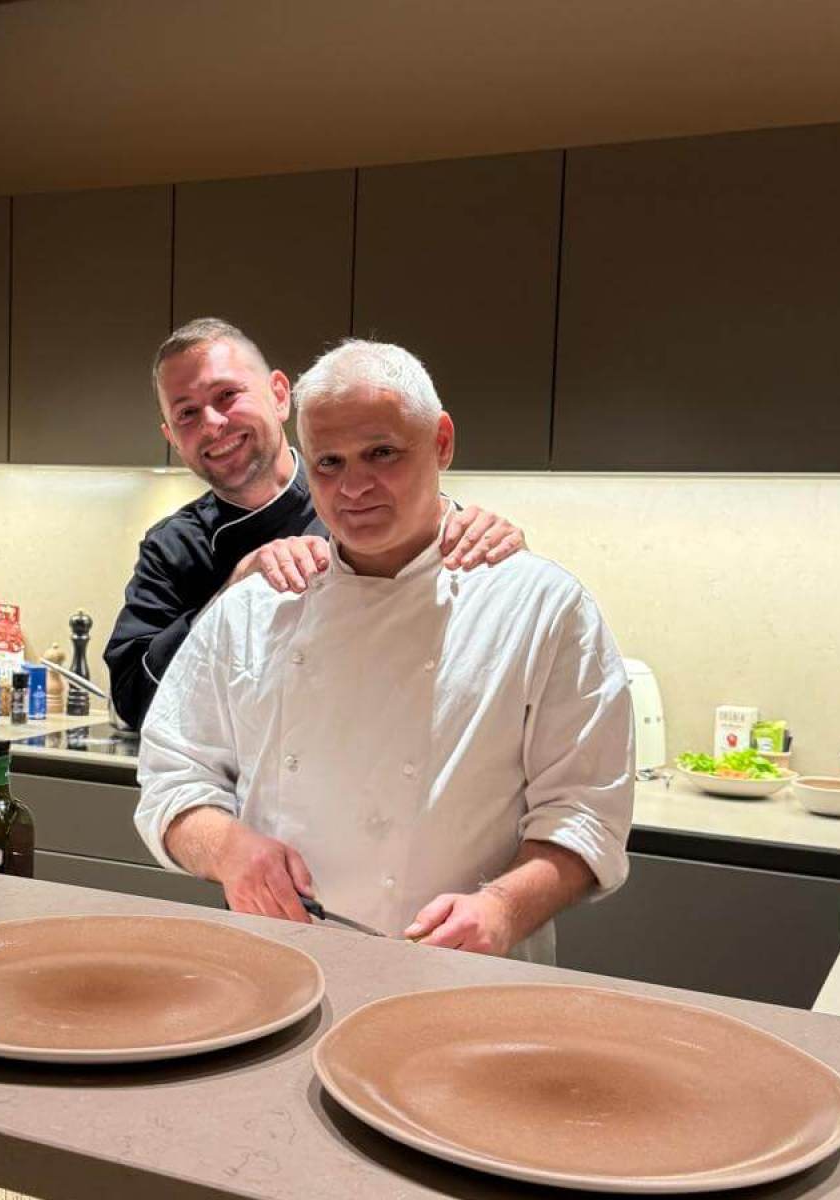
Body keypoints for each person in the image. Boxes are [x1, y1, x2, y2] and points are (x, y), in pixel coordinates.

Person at [134, 340, 633, 964]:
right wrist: (228, 849)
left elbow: (586, 813)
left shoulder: (542, 607)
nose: (354, 488)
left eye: (382, 454)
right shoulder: (254, 605)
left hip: (462, 979)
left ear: (442, 442)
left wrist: (504, 907)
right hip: (277, 966)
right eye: (329, 463)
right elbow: (172, 782)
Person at [103, 318, 527, 730]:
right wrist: (233, 592)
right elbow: (133, 703)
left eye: (228, 394)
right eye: (187, 414)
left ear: (280, 395)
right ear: (172, 437)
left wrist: (495, 550)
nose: (212, 423)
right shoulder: (172, 546)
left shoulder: (366, 508)